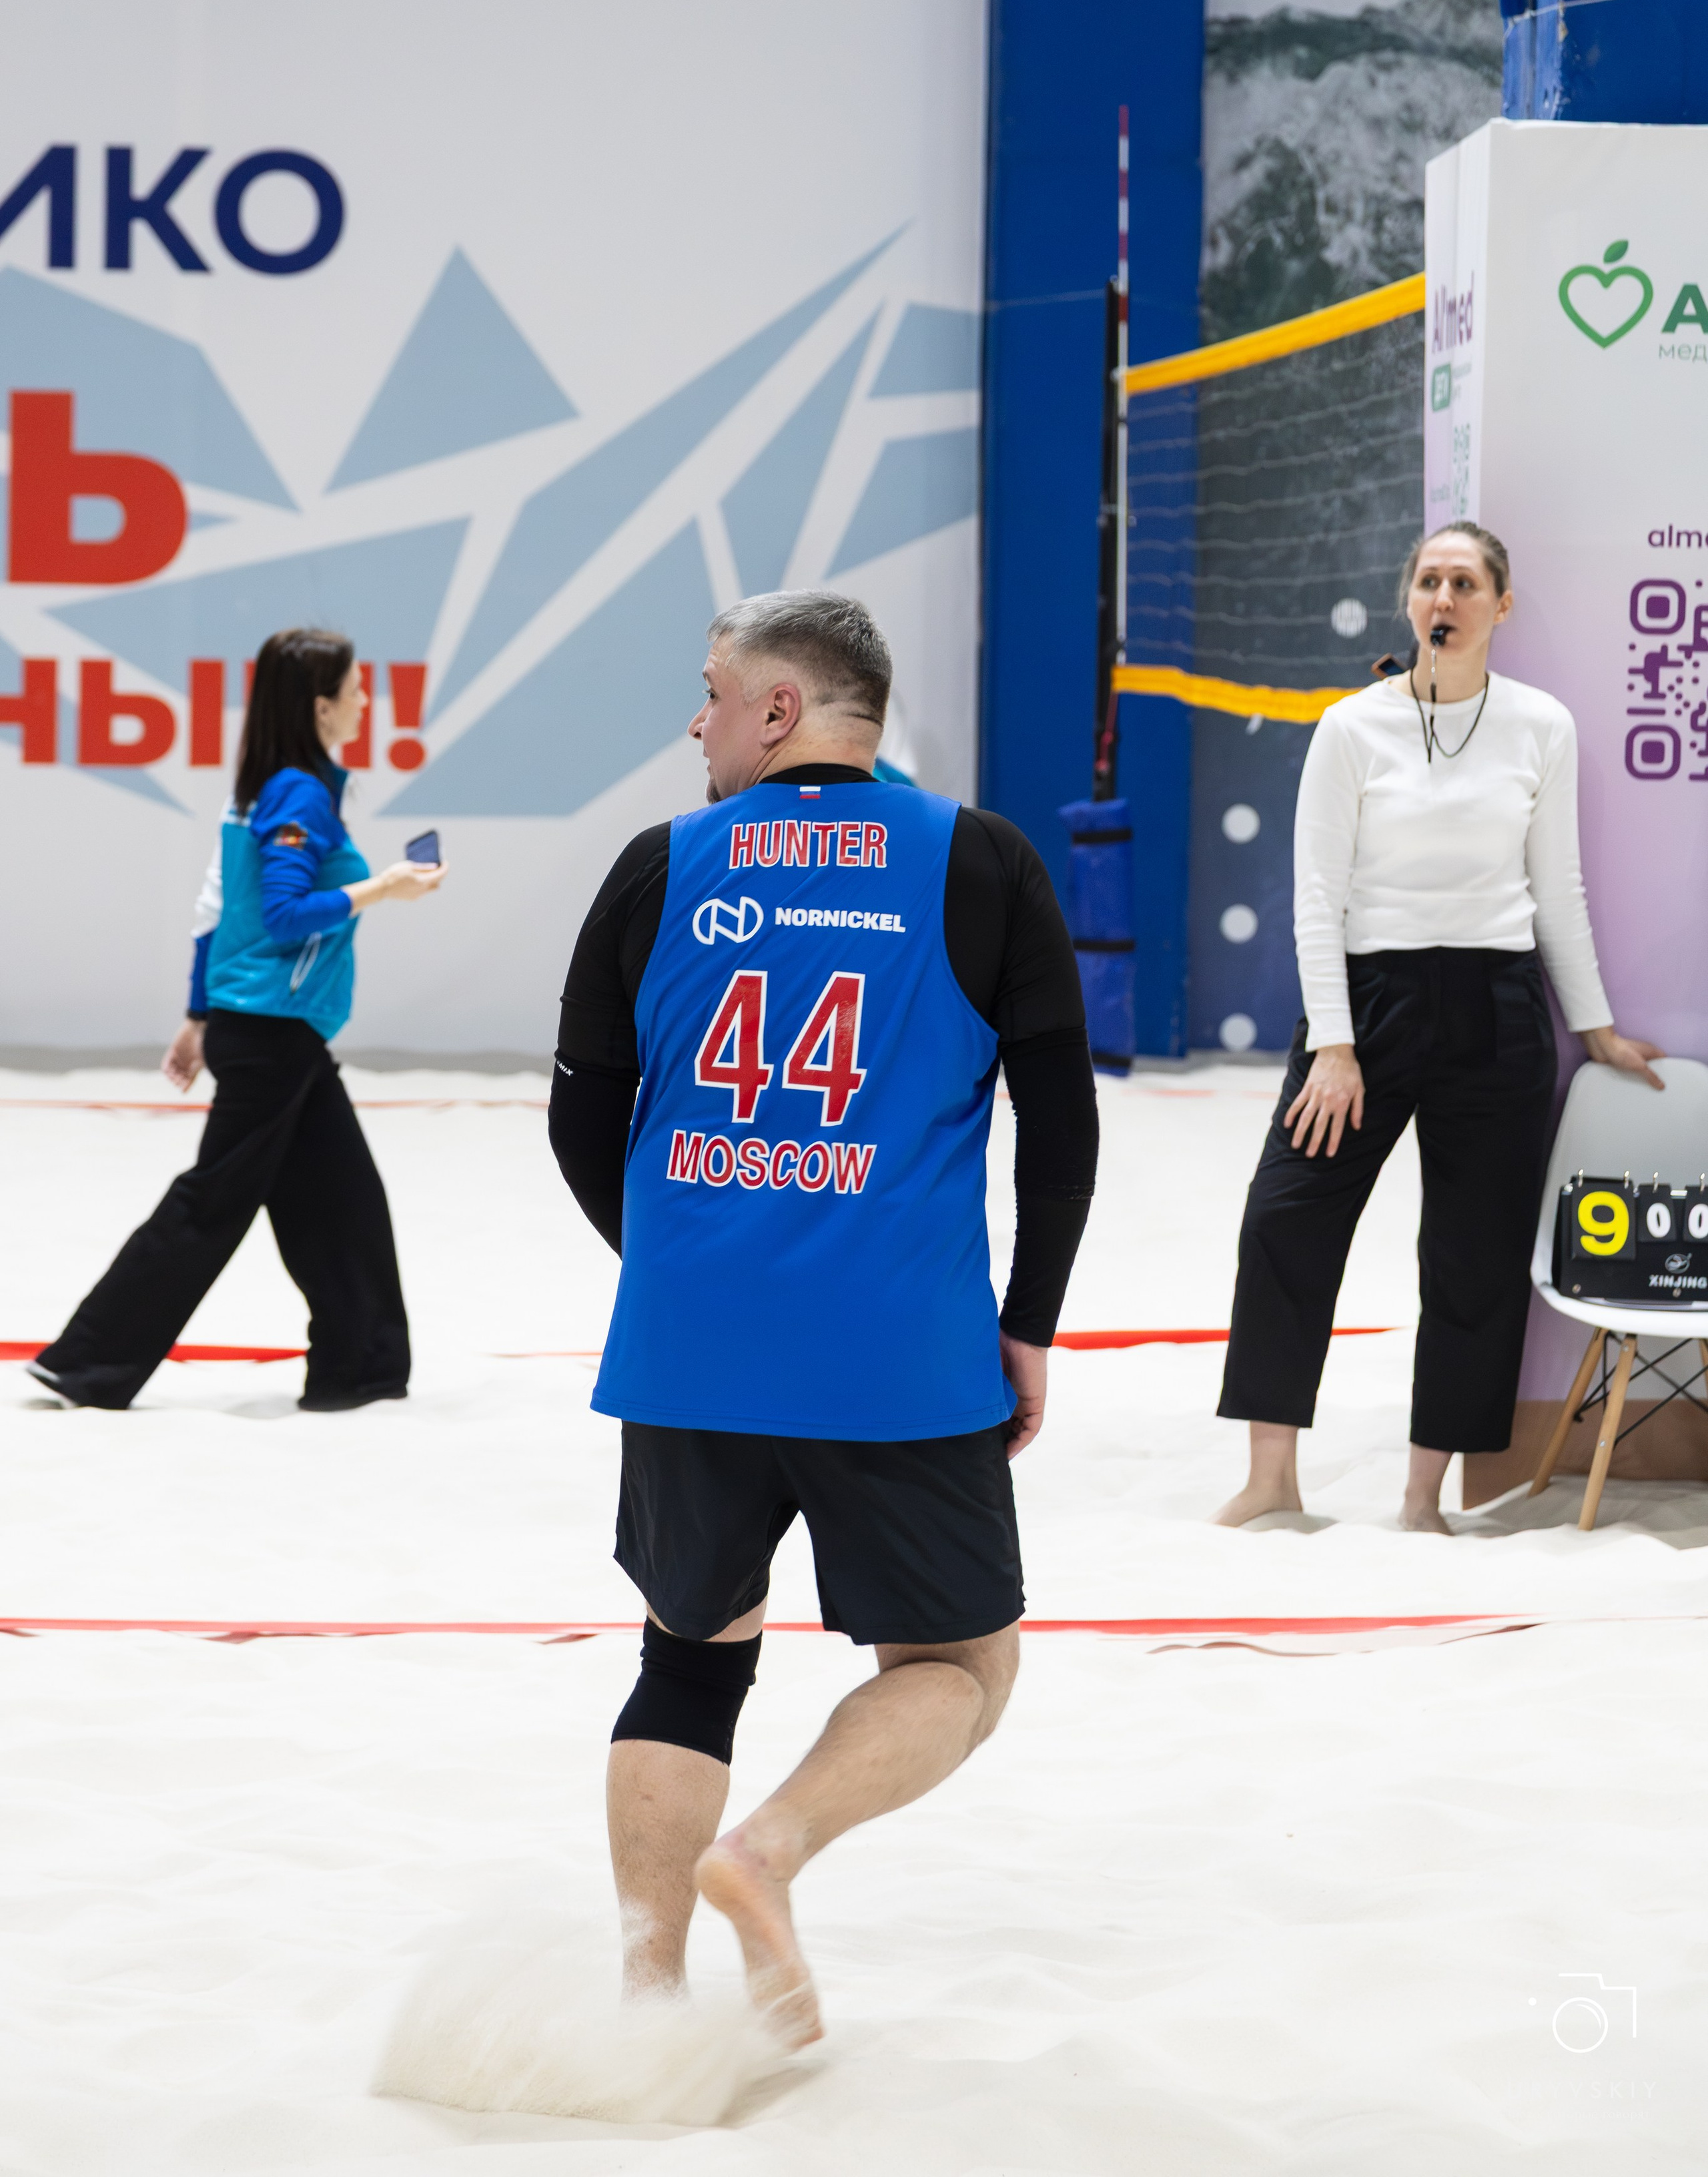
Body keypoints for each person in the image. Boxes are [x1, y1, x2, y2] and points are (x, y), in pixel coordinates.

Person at [549, 589, 1098, 2045]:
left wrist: (680, 1258)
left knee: (686, 1657)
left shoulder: (660, 866)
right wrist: (1024, 1318)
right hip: (898, 1346)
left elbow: (576, 1115)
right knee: (960, 1670)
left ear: (779, 710)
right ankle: (768, 1850)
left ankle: (646, 2002)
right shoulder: (977, 862)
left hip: (690, 1343)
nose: (696, 718)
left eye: (712, 691)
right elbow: (1061, 1128)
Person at [1215, 522, 1663, 1534]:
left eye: (1464, 583)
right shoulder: (1351, 727)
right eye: (1428, 582)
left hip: (1500, 1013)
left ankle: (1422, 1497)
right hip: (1365, 1013)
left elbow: (1559, 889)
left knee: (1475, 1255)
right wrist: (1334, 1043)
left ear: (1500, 606)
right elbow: (1315, 895)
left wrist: (1593, 1028)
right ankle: (1271, 1479)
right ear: (1408, 601)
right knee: (1285, 1221)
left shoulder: (1542, 726)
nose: (1444, 599)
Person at [28, 627, 445, 1414]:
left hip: (263, 1031)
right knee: (212, 1203)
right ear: (322, 704)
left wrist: (197, 1015)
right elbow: (284, 917)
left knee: (342, 1202)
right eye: (356, 688)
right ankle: (87, 1363)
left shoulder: (264, 787)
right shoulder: (297, 792)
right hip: (271, 1035)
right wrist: (382, 888)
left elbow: (214, 910)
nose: (366, 700)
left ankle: (358, 1373)